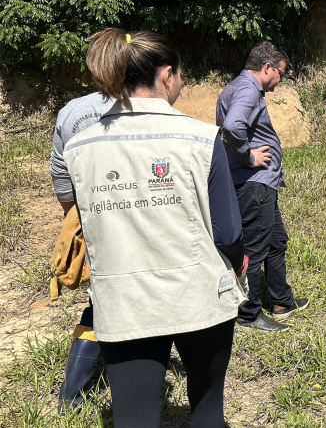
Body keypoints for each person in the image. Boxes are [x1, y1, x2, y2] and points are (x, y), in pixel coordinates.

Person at [63, 28, 247, 427]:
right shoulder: (201, 137)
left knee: (134, 418)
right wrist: (238, 263)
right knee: (207, 410)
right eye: (180, 77)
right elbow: (228, 233)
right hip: (199, 295)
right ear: (167, 75)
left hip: (123, 300)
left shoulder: (78, 148)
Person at [217, 41, 308, 332]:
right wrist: (249, 155)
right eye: (280, 73)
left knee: (276, 240)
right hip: (254, 185)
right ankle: (249, 312)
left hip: (260, 185)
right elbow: (233, 126)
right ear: (266, 68)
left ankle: (281, 300)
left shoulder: (235, 88)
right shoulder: (247, 90)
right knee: (254, 250)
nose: (280, 80)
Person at [50, 90, 111, 410]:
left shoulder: (72, 110)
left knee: (100, 299)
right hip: (129, 219)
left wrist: (74, 217)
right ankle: (72, 395)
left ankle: (72, 392)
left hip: (90, 216)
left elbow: (60, 174)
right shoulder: (134, 104)